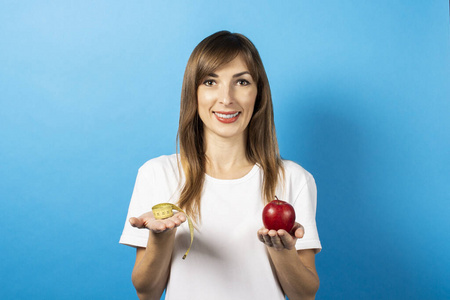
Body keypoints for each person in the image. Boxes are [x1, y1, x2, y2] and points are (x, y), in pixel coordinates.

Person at [119, 30, 321, 300]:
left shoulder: (294, 179)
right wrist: (161, 238)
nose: (226, 98)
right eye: (210, 81)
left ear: (258, 94)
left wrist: (283, 252)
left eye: (242, 82)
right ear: (194, 93)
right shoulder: (157, 174)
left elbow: (304, 296)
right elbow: (147, 292)